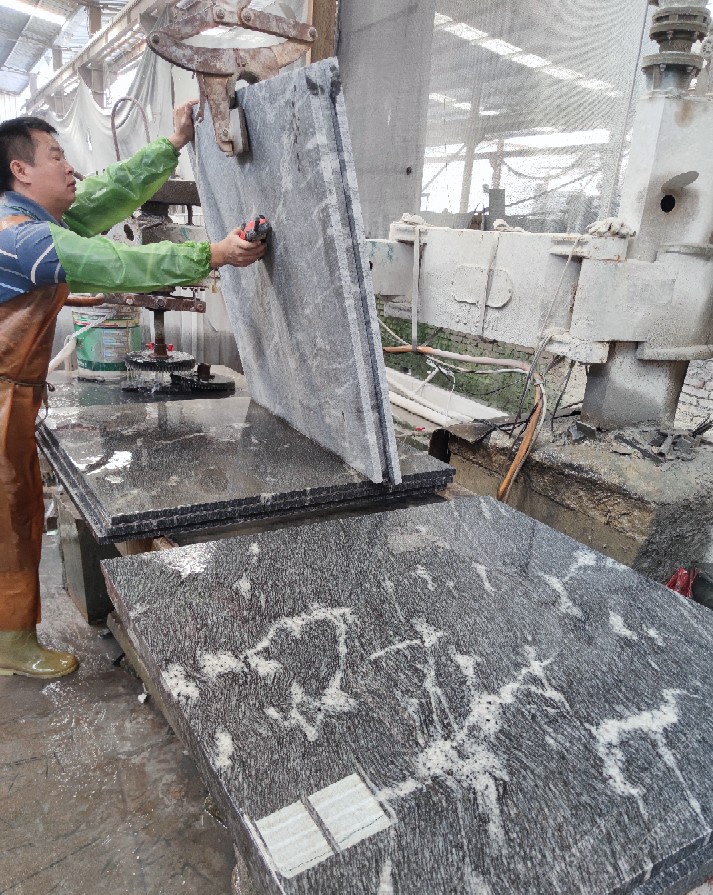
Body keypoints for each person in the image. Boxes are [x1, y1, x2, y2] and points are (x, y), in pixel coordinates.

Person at [0, 101, 266, 679]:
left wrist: (171, 145)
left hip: (13, 391)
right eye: (56, 156)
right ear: (20, 170)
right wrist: (213, 254)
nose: (70, 167)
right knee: (8, 514)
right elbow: (118, 264)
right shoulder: (22, 240)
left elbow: (103, 199)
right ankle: (10, 643)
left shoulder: (31, 222)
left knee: (17, 508)